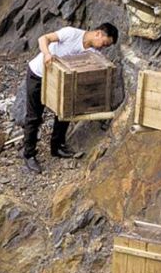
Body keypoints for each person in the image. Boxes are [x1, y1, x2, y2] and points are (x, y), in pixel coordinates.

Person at [21, 22, 119, 173]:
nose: (102, 47)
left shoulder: (94, 53)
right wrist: (47, 53)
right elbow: (43, 38)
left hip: (63, 81)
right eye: (104, 43)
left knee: (65, 112)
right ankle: (29, 155)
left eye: (106, 47)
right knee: (34, 117)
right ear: (98, 33)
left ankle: (57, 146)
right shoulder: (71, 33)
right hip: (39, 75)